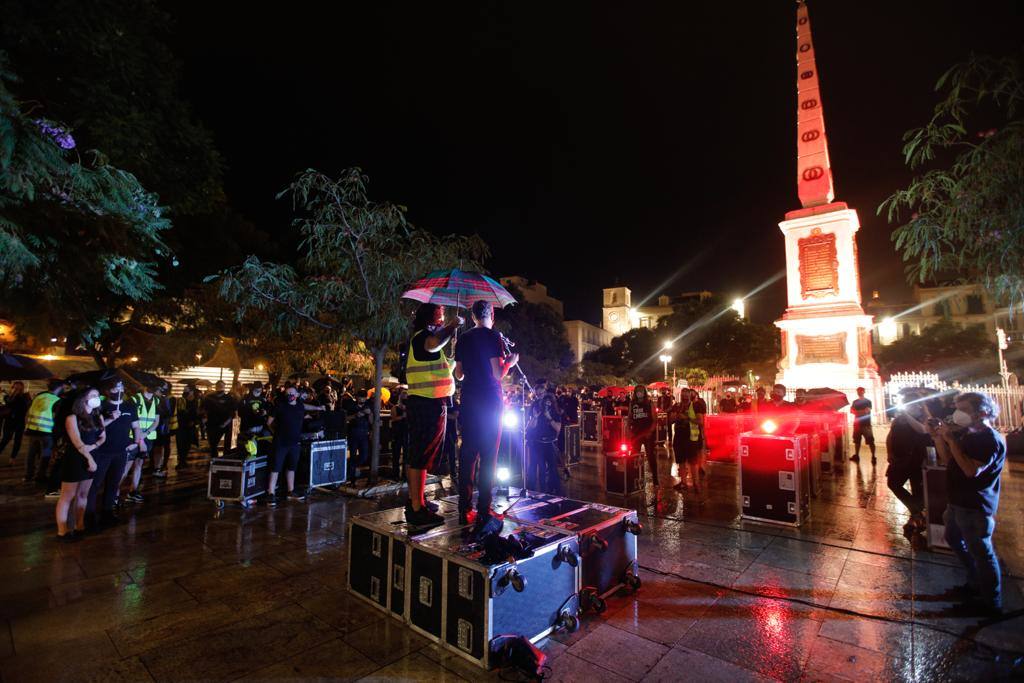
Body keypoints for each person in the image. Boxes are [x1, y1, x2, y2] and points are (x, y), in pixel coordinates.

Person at [930, 392, 1006, 614]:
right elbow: (949, 461)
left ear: (982, 413)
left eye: (963, 409)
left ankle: (991, 601)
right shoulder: (968, 435)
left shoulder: (989, 439)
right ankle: (974, 583)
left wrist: (952, 440)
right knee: (953, 538)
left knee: (982, 552)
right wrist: (938, 437)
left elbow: (970, 470)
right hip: (956, 502)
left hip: (975, 505)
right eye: (957, 408)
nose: (957, 413)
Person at [454, 300, 518, 533]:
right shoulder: (494, 337)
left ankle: (463, 509)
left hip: (469, 401)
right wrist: (510, 363)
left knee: (468, 455)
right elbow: (497, 374)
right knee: (489, 458)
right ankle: (483, 511)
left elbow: (459, 375)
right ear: (491, 314)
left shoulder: (463, 338)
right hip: (491, 403)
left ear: (473, 317)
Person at [403, 303, 460, 525]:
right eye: (440, 312)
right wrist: (452, 327)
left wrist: (453, 351)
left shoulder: (426, 339)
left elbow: (444, 365)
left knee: (421, 455)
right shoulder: (423, 337)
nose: (443, 315)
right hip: (427, 404)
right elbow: (434, 345)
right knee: (419, 456)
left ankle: (417, 501)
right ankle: (417, 509)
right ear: (431, 315)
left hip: (430, 403)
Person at [86, 378, 143, 529]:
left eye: (121, 387)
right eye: (114, 388)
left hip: (121, 452)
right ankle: (89, 515)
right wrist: (110, 418)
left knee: (113, 484)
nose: (118, 391)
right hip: (102, 451)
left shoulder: (129, 406)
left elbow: (136, 426)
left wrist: (137, 441)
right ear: (107, 390)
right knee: (95, 484)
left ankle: (107, 513)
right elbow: (95, 427)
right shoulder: (101, 406)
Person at [55, 388, 105, 541]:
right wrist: (89, 458)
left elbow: (103, 437)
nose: (96, 398)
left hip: (92, 456)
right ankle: (62, 531)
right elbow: (77, 442)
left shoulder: (98, 417)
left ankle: (80, 526)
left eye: (98, 395)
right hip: (76, 458)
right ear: (83, 398)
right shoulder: (72, 417)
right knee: (67, 496)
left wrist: (94, 447)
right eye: (93, 395)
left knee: (83, 494)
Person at [886, 392, 933, 533]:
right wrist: (889, 452)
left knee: (917, 490)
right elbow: (890, 435)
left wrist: (907, 415)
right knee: (893, 483)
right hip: (900, 458)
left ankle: (915, 519)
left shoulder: (925, 418)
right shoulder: (899, 419)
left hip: (917, 459)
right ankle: (917, 512)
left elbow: (923, 430)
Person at [265, 386, 307, 507]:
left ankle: (290, 491)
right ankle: (271, 493)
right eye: (287, 393)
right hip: (281, 442)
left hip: (295, 443)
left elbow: (306, 409)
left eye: (292, 393)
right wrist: (276, 433)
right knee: (275, 467)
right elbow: (269, 423)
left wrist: (319, 408)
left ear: (297, 394)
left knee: (292, 467)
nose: (289, 395)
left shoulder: (300, 405)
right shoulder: (280, 406)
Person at [24, 378, 66, 484]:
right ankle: (40, 477)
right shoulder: (56, 400)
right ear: (59, 388)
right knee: (45, 455)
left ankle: (28, 475)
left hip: (32, 429)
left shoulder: (39, 396)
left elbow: (29, 411)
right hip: (46, 432)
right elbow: (57, 418)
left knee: (31, 454)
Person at [125, 383, 161, 502]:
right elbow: (132, 421)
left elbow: (156, 421)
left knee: (139, 464)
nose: (156, 389)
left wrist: (145, 434)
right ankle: (114, 495)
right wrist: (140, 439)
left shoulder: (156, 401)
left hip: (147, 437)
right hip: (133, 438)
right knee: (126, 466)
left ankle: (133, 491)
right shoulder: (134, 399)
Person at [526, 380, 563, 495]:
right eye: (538, 393)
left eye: (542, 393)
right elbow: (530, 426)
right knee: (534, 468)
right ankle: (532, 492)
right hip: (536, 442)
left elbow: (558, 428)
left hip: (549, 443)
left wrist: (548, 417)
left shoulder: (552, 405)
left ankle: (553, 492)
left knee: (552, 469)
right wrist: (535, 417)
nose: (540, 396)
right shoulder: (534, 405)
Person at [671, 390, 704, 491]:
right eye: (682, 395)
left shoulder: (695, 406)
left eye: (686, 395)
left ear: (690, 396)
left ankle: (696, 484)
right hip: (679, 437)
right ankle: (683, 483)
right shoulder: (677, 406)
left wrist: (686, 418)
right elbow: (670, 420)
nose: (684, 397)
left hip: (690, 438)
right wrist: (674, 417)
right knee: (681, 461)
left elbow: (700, 421)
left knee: (693, 462)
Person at [628, 385, 659, 488]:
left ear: (644, 392)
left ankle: (655, 480)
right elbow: (629, 418)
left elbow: (655, 420)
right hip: (636, 434)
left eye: (641, 391)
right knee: (633, 456)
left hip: (648, 434)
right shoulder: (632, 404)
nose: (639, 393)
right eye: (637, 391)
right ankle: (633, 479)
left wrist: (650, 431)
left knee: (651, 456)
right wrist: (629, 431)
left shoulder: (649, 403)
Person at [203, 381, 238, 458]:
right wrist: (226, 423)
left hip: (214, 425)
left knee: (213, 445)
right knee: (225, 445)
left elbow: (204, 412)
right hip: (222, 425)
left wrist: (205, 422)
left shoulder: (208, 397)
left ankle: (215, 460)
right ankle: (223, 460)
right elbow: (233, 413)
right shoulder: (229, 398)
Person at [0, 381, 30, 464]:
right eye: (14, 388)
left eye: (17, 388)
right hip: (11, 422)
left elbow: (25, 407)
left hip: (17, 423)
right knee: (6, 439)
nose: (15, 390)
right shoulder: (9, 397)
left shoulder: (21, 398)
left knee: (16, 441)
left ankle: (12, 458)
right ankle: (12, 458)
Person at [346, 390, 373, 482]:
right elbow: (346, 418)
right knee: (353, 454)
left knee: (364, 455)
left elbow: (372, 421)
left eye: (363, 396)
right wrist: (356, 415)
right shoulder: (351, 405)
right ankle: (352, 477)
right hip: (353, 433)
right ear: (356, 397)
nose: (362, 398)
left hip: (364, 434)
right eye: (360, 396)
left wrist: (369, 414)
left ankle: (353, 467)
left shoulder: (368, 406)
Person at [150, 384, 174, 478]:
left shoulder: (165, 400)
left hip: (161, 428)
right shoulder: (151, 399)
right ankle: (154, 466)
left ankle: (158, 467)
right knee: (152, 448)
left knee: (159, 448)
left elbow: (168, 414)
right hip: (152, 427)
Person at [175, 386, 199, 469]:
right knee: (180, 444)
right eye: (185, 390)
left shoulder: (196, 401)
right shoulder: (182, 400)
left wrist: (194, 421)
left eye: (187, 390)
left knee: (187, 444)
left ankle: (183, 460)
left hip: (190, 426)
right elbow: (179, 411)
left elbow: (197, 413)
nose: (186, 392)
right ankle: (181, 461)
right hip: (181, 426)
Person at [850, 387, 876, 464]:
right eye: (858, 391)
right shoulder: (855, 401)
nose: (859, 392)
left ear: (864, 391)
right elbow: (852, 411)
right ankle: (857, 455)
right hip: (858, 424)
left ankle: (873, 456)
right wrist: (862, 412)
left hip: (865, 424)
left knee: (870, 441)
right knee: (857, 441)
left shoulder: (868, 401)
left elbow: (866, 411)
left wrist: (857, 412)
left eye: (860, 391)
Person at [389, 388, 408, 481]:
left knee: (406, 455)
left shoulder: (409, 408)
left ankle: (405, 474)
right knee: (396, 455)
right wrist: (402, 416)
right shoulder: (395, 407)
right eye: (403, 397)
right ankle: (395, 474)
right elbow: (393, 418)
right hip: (397, 434)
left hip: (406, 433)